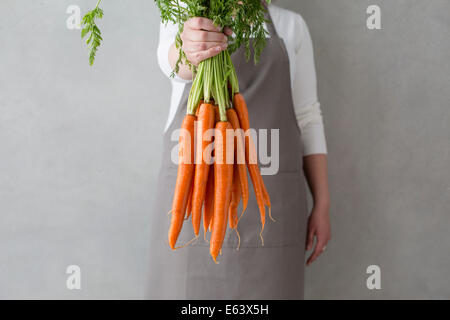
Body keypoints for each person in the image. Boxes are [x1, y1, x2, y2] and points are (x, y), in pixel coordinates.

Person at [147, 2, 331, 299]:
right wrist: (190, 51)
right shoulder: (186, 14)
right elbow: (174, 64)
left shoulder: (291, 26)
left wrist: (322, 203)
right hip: (196, 204)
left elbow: (308, 116)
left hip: (271, 210)